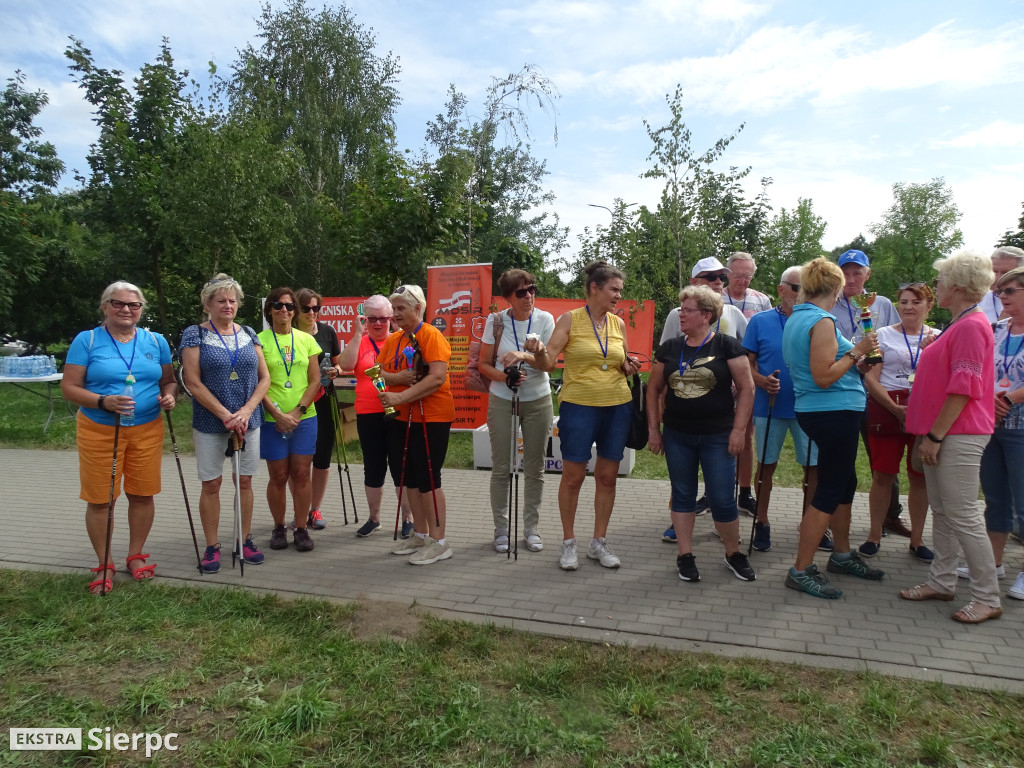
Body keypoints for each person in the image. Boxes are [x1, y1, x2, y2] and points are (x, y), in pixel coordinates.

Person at [899, 250, 1002, 624]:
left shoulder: (972, 325)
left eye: (940, 281)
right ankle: (941, 581)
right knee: (943, 512)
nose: (936, 287)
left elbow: (964, 387)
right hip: (943, 433)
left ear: (957, 286)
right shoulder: (959, 323)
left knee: (962, 515)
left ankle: (987, 596)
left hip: (957, 434)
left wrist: (936, 435)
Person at [525, 261, 643, 571]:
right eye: (614, 290)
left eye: (620, 290)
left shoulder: (617, 325)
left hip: (617, 406)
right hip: (579, 406)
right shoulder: (570, 319)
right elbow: (549, 362)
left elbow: (619, 359)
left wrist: (626, 365)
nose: (619, 296)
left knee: (607, 477)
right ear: (594, 288)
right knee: (574, 477)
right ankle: (568, 542)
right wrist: (537, 350)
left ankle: (598, 542)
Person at [61, 281, 176, 593]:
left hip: (147, 428)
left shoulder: (156, 341)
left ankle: (135, 555)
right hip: (100, 429)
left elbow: (168, 380)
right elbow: (69, 387)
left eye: (133, 305)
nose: (126, 309)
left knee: (142, 493)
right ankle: (104, 563)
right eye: (118, 303)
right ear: (105, 306)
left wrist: (169, 396)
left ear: (141, 310)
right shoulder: (87, 341)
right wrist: (102, 401)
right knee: (101, 498)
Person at [782, 257, 883, 599]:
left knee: (845, 483)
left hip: (826, 410)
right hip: (831, 410)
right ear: (838, 288)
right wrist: (856, 352)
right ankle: (801, 568)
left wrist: (854, 360)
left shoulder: (800, 318)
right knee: (828, 490)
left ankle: (841, 555)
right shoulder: (822, 320)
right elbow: (824, 376)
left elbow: (821, 369)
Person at [647, 285, 756, 583]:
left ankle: (733, 553)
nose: (681, 314)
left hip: (718, 436)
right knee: (683, 495)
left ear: (706, 315)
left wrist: (738, 430)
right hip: (678, 435)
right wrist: (654, 430)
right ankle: (685, 555)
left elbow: (747, 388)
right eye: (682, 309)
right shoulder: (669, 348)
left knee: (722, 498)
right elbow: (654, 388)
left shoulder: (727, 346)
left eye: (688, 310)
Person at [180, 275, 271, 573]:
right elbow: (192, 381)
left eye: (232, 300)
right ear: (208, 304)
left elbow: (264, 378)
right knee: (212, 483)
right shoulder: (195, 334)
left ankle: (243, 539)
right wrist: (224, 414)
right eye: (221, 300)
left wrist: (245, 412)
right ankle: (211, 545)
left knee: (244, 480)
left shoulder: (248, 333)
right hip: (210, 420)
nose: (228, 305)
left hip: (248, 420)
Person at [660, 257, 750, 537]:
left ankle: (723, 528)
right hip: (682, 410)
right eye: (711, 277)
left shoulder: (733, 314)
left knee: (720, 478)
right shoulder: (678, 314)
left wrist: (739, 380)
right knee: (682, 480)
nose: (718, 283)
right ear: (695, 281)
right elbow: (666, 360)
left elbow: (746, 355)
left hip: (724, 411)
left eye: (722, 278)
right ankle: (678, 524)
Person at [830, 248, 910, 539]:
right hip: (843, 388)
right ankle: (835, 516)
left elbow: (896, 340)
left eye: (857, 272)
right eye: (846, 273)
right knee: (841, 456)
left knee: (884, 459)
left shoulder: (883, 304)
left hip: (878, 391)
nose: (851, 279)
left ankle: (890, 515)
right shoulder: (829, 303)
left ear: (868, 274)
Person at [376, 284, 456, 565]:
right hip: (401, 416)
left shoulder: (430, 335)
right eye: (393, 308)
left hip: (431, 417)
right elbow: (379, 371)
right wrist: (398, 381)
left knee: (429, 479)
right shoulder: (395, 339)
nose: (395, 314)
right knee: (408, 476)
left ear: (418, 309)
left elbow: (435, 378)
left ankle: (439, 542)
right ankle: (421, 534)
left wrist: (399, 393)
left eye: (401, 308)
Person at [741, 266, 820, 553]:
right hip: (769, 406)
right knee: (766, 466)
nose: (801, 295)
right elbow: (746, 362)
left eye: (807, 289)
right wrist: (761, 380)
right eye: (797, 288)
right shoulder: (760, 321)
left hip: (808, 406)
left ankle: (810, 523)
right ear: (781, 289)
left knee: (812, 468)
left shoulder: (818, 321)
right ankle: (761, 521)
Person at [859, 282, 937, 563]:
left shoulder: (939, 338)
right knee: (882, 475)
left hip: (924, 410)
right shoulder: (881, 335)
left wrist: (930, 354)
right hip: (886, 406)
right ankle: (874, 535)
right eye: (903, 302)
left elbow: (942, 380)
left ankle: (917, 539)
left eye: (916, 302)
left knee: (920, 477)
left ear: (929, 306)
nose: (908, 307)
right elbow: (870, 376)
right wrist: (894, 408)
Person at [479, 269, 555, 553]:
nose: (529, 296)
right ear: (508, 298)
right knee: (502, 468)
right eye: (521, 293)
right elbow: (484, 364)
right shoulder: (496, 321)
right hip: (502, 398)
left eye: (532, 289)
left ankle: (531, 529)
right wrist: (505, 377)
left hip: (538, 399)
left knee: (535, 469)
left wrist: (528, 355)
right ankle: (501, 529)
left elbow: (550, 365)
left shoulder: (545, 319)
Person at [336, 294, 413, 538]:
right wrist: (358, 334)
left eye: (383, 318)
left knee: (401, 467)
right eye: (372, 319)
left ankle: (408, 518)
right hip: (368, 412)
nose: (378, 324)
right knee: (373, 466)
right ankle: (374, 518)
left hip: (398, 410)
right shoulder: (361, 341)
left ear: (391, 319)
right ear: (364, 319)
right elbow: (346, 365)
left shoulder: (401, 340)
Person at [973, 265, 1024, 600]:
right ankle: (993, 562)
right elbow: (981, 367)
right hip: (990, 423)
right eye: (999, 292)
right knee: (995, 497)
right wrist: (989, 397)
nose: (1001, 297)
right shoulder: (996, 329)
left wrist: (1007, 397)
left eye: (1010, 291)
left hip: (1020, 427)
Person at [258, 287, 322, 553]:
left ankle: (301, 528)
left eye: (289, 305)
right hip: (272, 419)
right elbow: (257, 382)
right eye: (277, 305)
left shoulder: (307, 340)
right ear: (269, 310)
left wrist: (297, 411)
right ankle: (278, 527)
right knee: (279, 476)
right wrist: (277, 414)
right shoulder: (258, 340)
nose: (284, 310)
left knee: (301, 474)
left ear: (295, 311)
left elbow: (315, 380)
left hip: (304, 418)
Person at [294, 288, 341, 531]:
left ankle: (315, 509)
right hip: (297, 401)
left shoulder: (327, 331)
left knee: (322, 456)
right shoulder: (289, 333)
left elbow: (338, 363)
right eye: (306, 308)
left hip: (324, 398)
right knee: (299, 461)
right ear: (296, 310)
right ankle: (298, 511)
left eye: (316, 308)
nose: (312, 313)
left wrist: (338, 371)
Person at [981, 246, 1024, 323]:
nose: (998, 278)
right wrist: (1001, 325)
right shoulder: (976, 302)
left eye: (1006, 273)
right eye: (994, 271)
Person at [724, 252, 773, 318]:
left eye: (747, 276)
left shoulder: (762, 300)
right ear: (728, 274)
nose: (742, 281)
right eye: (737, 276)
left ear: (752, 276)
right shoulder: (715, 299)